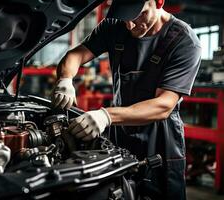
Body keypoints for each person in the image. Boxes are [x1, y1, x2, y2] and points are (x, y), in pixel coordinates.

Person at [51, 0, 201, 199]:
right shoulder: (114, 25)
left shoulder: (184, 40)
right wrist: (65, 79)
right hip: (119, 132)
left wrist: (106, 116)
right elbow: (75, 55)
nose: (130, 25)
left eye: (138, 15)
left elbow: (163, 105)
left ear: (159, 2)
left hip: (160, 138)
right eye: (125, 18)